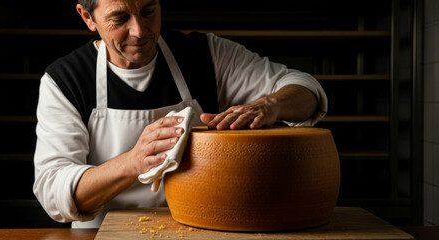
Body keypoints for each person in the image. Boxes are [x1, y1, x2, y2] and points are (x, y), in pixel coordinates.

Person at [33, 0, 328, 228]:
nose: (139, 31)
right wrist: (133, 162)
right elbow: (53, 190)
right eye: (119, 18)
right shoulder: (65, 80)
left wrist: (270, 104)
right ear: (88, 17)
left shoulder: (206, 55)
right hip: (102, 233)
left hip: (201, 228)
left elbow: (306, 90)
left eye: (149, 11)